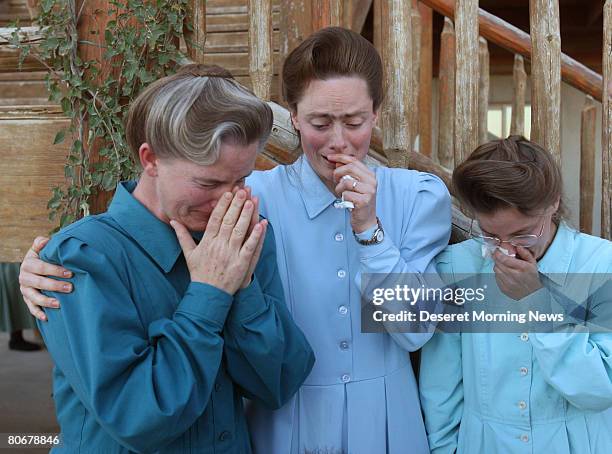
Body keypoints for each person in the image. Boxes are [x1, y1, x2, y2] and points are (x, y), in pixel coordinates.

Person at [20, 27, 451, 453]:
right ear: (294, 118)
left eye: (355, 122)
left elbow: (427, 325)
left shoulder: (415, 196)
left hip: (384, 422)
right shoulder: (249, 201)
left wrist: (370, 232)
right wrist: (43, 266)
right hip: (280, 429)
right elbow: (137, 408)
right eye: (321, 122)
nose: (339, 141)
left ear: (376, 114)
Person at [19, 64, 314, 453]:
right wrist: (209, 292)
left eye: (240, 181)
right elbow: (140, 416)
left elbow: (279, 382)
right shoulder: (83, 257)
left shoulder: (242, 236)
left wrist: (242, 289)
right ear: (151, 159)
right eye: (207, 183)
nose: (227, 200)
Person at [419, 136, 612, 453]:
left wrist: (538, 303)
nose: (507, 249)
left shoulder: (601, 263)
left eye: (523, 233)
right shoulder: (456, 265)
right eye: (491, 235)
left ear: (553, 204)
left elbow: (599, 388)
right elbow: (441, 386)